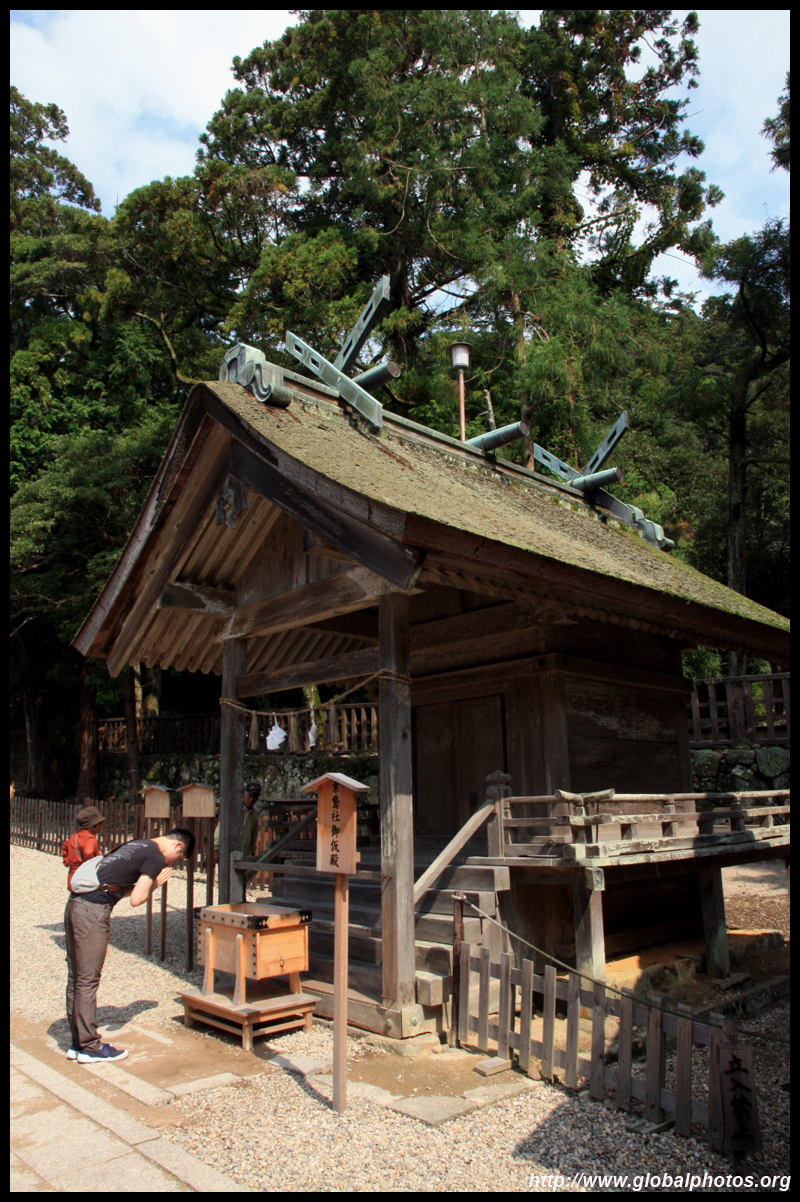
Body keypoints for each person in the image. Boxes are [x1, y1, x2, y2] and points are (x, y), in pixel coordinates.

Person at [64, 826, 195, 1063]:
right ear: (178, 846)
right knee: (87, 979)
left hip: (75, 904)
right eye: (178, 857)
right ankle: (89, 1046)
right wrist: (155, 884)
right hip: (93, 912)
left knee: (76, 977)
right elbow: (137, 899)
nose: (172, 862)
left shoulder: (136, 844)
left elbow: (115, 886)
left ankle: (78, 1042)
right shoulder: (155, 856)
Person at [62, 805, 105, 890]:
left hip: (72, 879)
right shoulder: (90, 839)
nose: (101, 826)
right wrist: (90, 866)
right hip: (85, 880)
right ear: (93, 826)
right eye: (99, 824)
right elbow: (89, 852)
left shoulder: (75, 836)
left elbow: (64, 847)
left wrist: (67, 861)